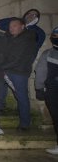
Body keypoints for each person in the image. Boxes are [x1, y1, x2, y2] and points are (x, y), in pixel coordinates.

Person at [2, 17, 37, 131]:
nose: (11, 28)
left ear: (22, 26)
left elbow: (18, 58)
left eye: (15, 26)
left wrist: (0, 67)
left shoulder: (27, 39)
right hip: (7, 70)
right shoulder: (10, 37)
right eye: (10, 26)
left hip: (19, 72)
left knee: (21, 97)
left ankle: (25, 124)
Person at [35, 26, 58, 154]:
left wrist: (39, 88)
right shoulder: (48, 54)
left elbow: (40, 73)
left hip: (53, 91)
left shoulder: (48, 54)